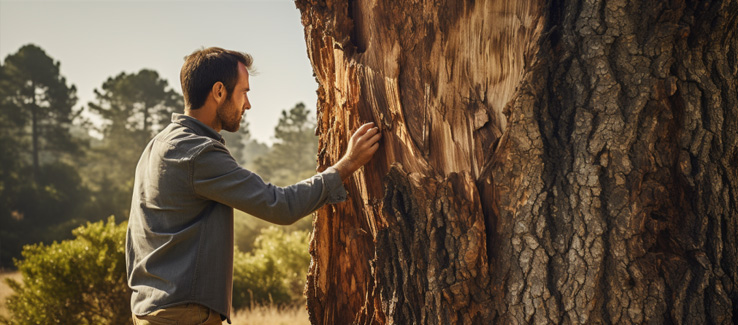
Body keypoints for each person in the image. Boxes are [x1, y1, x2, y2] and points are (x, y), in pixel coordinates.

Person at [125, 47, 381, 325]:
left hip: (150, 311)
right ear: (219, 91)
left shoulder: (158, 145)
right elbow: (280, 206)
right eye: (244, 92)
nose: (247, 104)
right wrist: (346, 165)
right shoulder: (197, 153)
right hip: (181, 317)